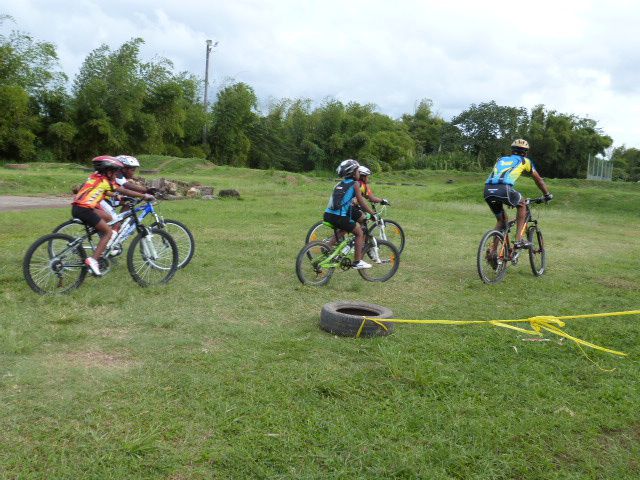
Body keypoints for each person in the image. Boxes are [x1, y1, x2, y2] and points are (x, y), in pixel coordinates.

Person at [72, 156, 154, 276]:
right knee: (108, 233)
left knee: (111, 219)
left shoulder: (95, 178)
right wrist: (143, 196)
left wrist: (117, 197)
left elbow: (104, 191)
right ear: (108, 172)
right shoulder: (105, 181)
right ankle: (93, 261)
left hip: (78, 208)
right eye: (115, 173)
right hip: (86, 210)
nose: (116, 176)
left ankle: (105, 246)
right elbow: (123, 189)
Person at [483, 139, 553, 249]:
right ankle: (519, 240)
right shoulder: (525, 161)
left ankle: (492, 252)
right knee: (522, 204)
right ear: (525, 152)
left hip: (487, 189)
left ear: (512, 150)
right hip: (504, 188)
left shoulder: (501, 159)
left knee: (501, 220)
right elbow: (539, 180)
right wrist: (547, 195)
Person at [324, 159, 378, 269]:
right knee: (359, 232)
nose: (359, 173)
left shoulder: (339, 183)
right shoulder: (355, 184)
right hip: (339, 216)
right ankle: (357, 261)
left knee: (345, 229)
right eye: (358, 171)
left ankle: (326, 247)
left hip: (328, 215)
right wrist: (372, 213)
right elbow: (362, 202)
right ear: (353, 173)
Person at [98, 155, 154, 219]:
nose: (133, 173)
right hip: (103, 200)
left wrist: (142, 193)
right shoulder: (117, 175)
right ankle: (119, 223)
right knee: (114, 220)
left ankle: (120, 222)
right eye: (132, 170)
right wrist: (146, 190)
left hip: (109, 198)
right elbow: (128, 186)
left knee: (130, 200)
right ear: (124, 169)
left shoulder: (117, 176)